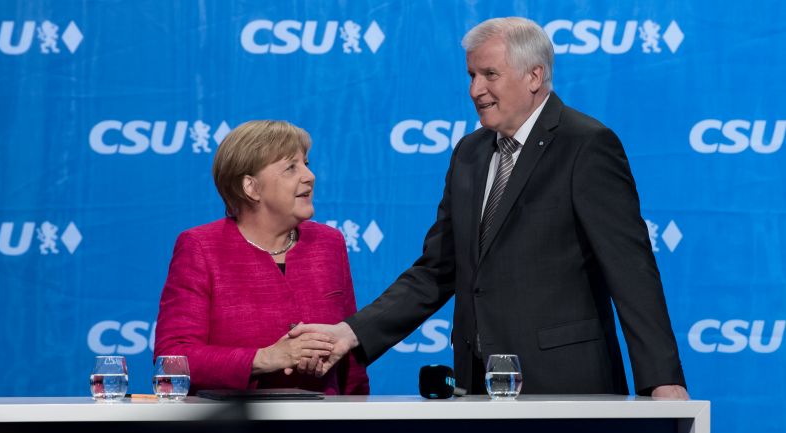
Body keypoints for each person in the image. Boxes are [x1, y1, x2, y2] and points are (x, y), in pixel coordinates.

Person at [291, 17, 688, 398]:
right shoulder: (470, 153)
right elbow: (437, 269)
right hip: (477, 382)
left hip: (566, 381)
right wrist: (352, 332)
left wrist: (661, 379)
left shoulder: (585, 144)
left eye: (489, 74)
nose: (475, 89)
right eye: (471, 75)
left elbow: (630, 269)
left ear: (534, 76)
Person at [154, 120, 369, 395]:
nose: (310, 176)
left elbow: (350, 359)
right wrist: (265, 358)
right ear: (251, 187)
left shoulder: (328, 243)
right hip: (231, 428)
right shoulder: (201, 246)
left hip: (321, 427)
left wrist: (360, 421)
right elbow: (173, 359)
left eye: (306, 163)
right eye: (291, 167)